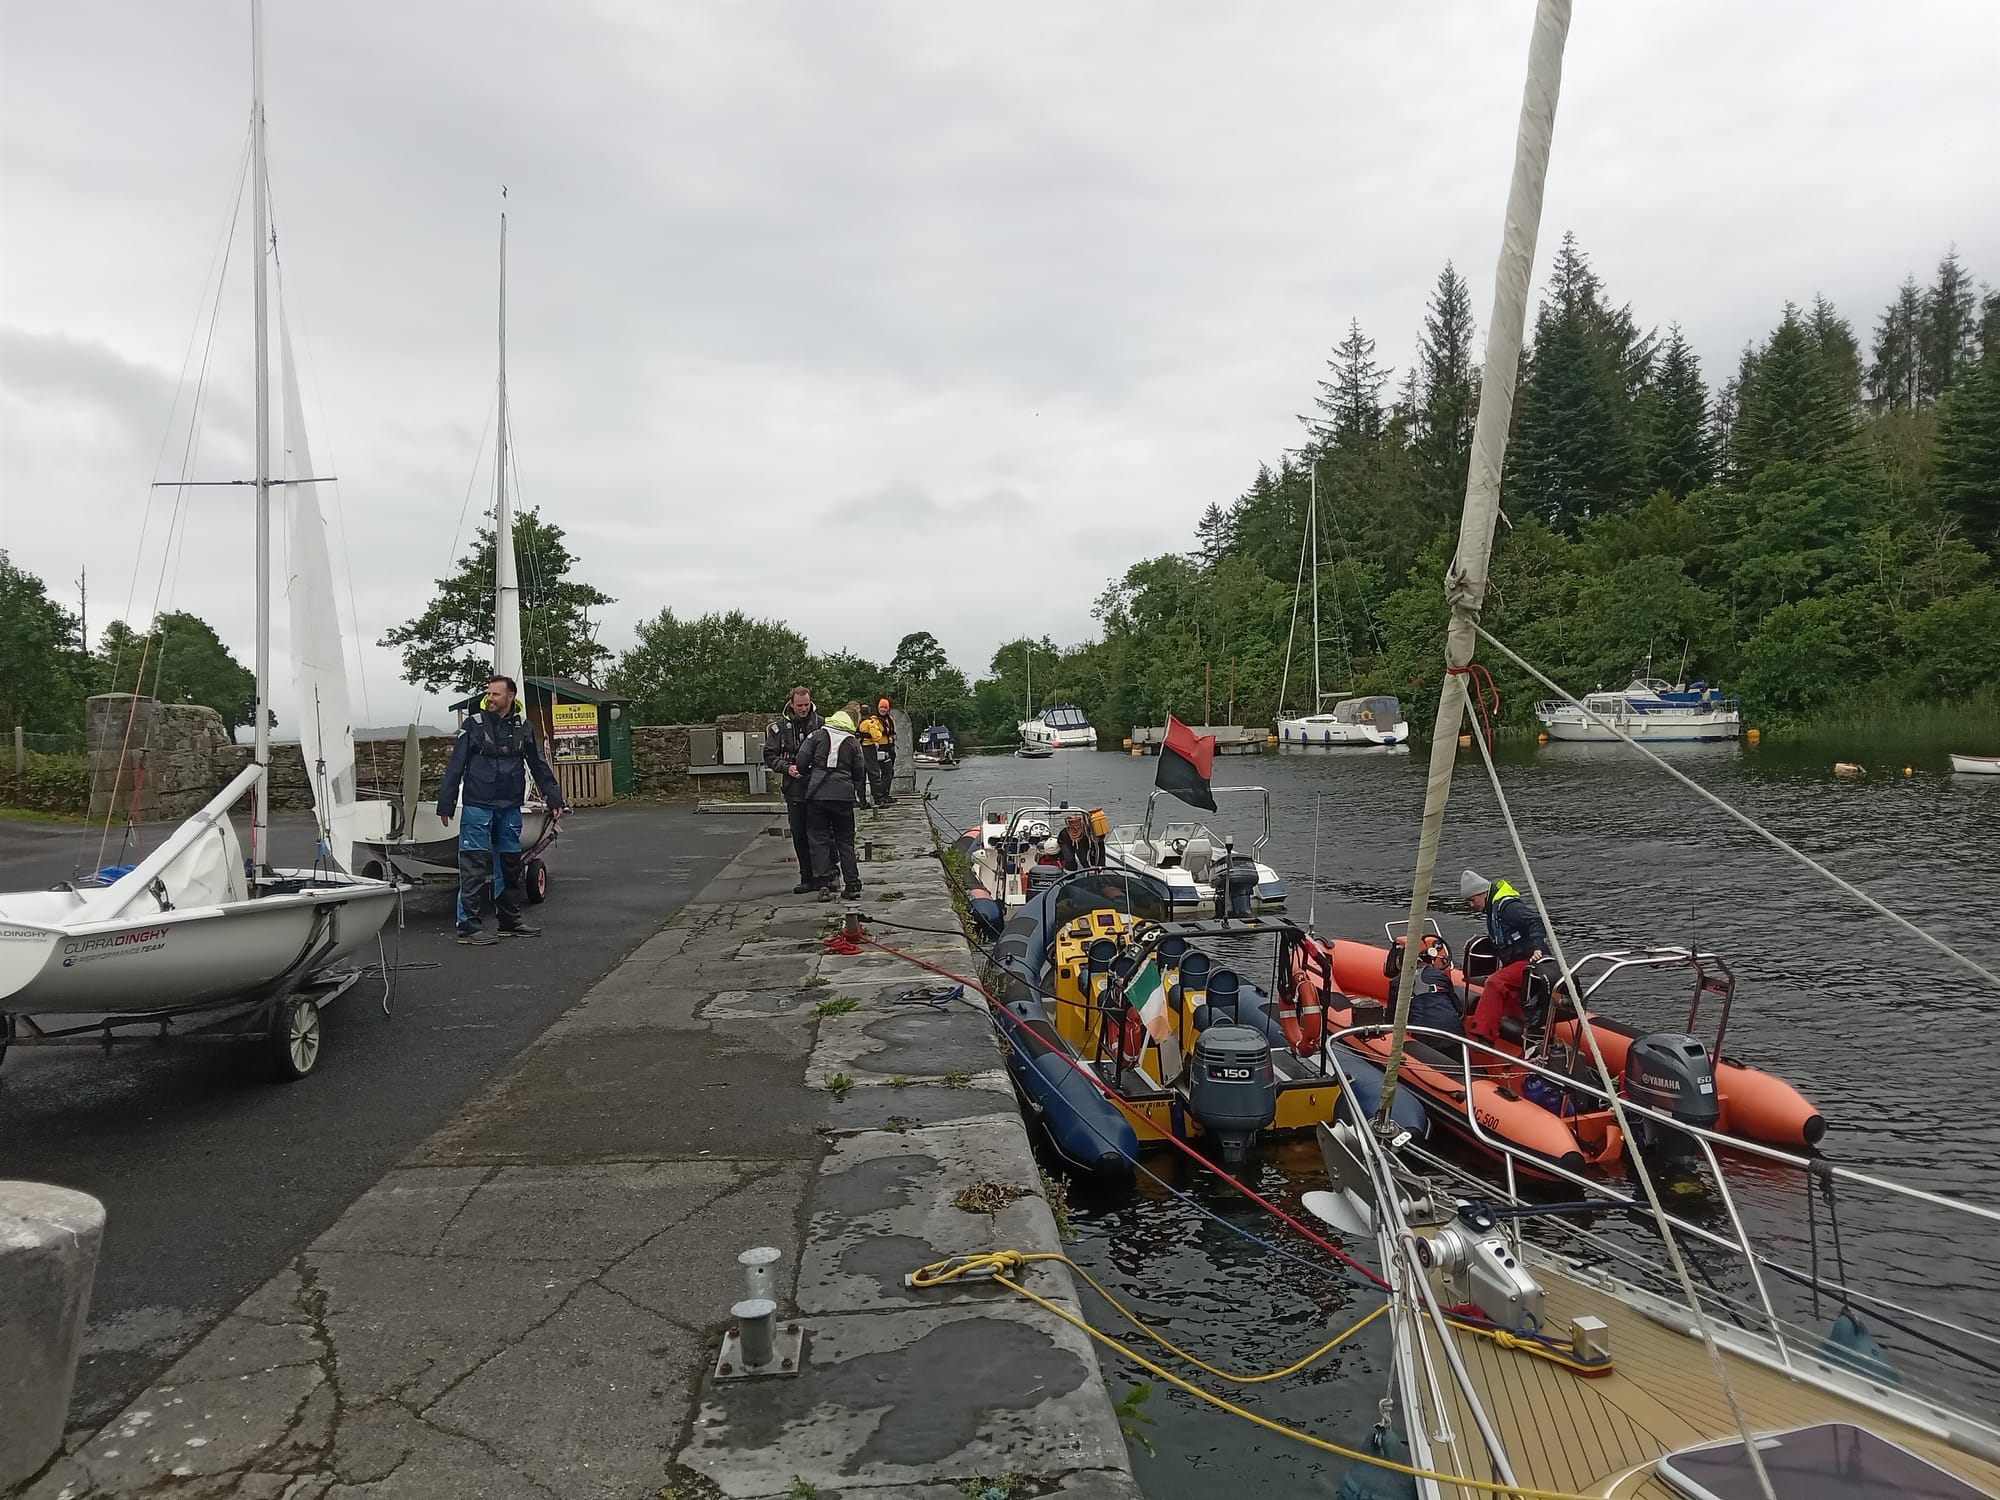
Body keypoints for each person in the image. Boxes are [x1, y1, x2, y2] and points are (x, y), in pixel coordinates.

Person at [437, 674, 566, 945]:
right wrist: (446, 803)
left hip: (509, 806)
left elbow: (538, 764)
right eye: (488, 693)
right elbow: (456, 766)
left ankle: (509, 920)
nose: (490, 698)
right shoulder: (474, 725)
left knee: (509, 864)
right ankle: (468, 927)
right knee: (473, 865)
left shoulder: (523, 727)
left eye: (496, 694)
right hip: (478, 805)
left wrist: (555, 799)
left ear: (510, 697)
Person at [797, 707, 867, 900]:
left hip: (818, 795)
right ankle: (852, 884)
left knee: (818, 839)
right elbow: (859, 772)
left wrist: (811, 772)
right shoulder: (852, 742)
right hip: (843, 797)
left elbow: (801, 760)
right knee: (845, 841)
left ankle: (824, 885)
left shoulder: (817, 735)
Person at [764, 685, 824, 894]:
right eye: (799, 705)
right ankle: (806, 877)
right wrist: (787, 768)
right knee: (799, 834)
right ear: (791, 704)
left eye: (806, 704)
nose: (803, 709)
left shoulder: (821, 724)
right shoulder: (778, 729)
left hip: (818, 787)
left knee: (820, 834)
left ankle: (824, 876)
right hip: (794, 787)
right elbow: (770, 756)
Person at [1460, 869, 1550, 966]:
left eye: (1472, 900)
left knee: (1493, 981)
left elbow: (1535, 920)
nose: (1471, 905)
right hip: (1514, 960)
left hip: (1530, 960)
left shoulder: (1509, 908)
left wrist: (1538, 948)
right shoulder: (1492, 911)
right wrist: (1475, 944)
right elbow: (1501, 940)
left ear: (1484, 893)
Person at [855, 702, 888, 809]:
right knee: (874, 775)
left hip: (858, 750)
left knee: (860, 777)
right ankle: (878, 800)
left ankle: (862, 801)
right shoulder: (870, 723)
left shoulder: (857, 723)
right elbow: (877, 736)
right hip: (869, 749)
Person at [873, 696, 897, 804]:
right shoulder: (874, 720)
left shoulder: (890, 719)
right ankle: (881, 795)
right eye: (881, 707)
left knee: (890, 772)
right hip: (880, 748)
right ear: (878, 708)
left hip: (889, 747)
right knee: (886, 772)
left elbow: (892, 732)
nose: (883, 709)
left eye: (885, 707)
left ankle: (886, 794)